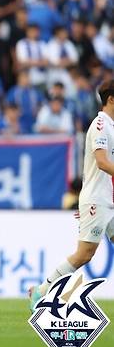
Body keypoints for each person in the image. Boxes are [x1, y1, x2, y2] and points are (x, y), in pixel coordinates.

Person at [29, 80, 114, 311]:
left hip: (109, 199)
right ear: (111, 100)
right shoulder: (100, 125)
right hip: (97, 200)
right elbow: (102, 162)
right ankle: (41, 291)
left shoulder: (112, 126)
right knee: (84, 254)